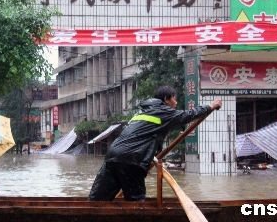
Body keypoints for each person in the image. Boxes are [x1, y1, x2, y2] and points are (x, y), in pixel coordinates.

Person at [89, 85, 222, 201]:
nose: (176, 103)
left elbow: (147, 136)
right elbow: (187, 115)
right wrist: (210, 106)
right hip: (132, 159)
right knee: (136, 200)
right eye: (174, 99)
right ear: (166, 99)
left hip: (112, 156)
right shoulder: (163, 111)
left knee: (99, 198)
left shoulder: (143, 111)